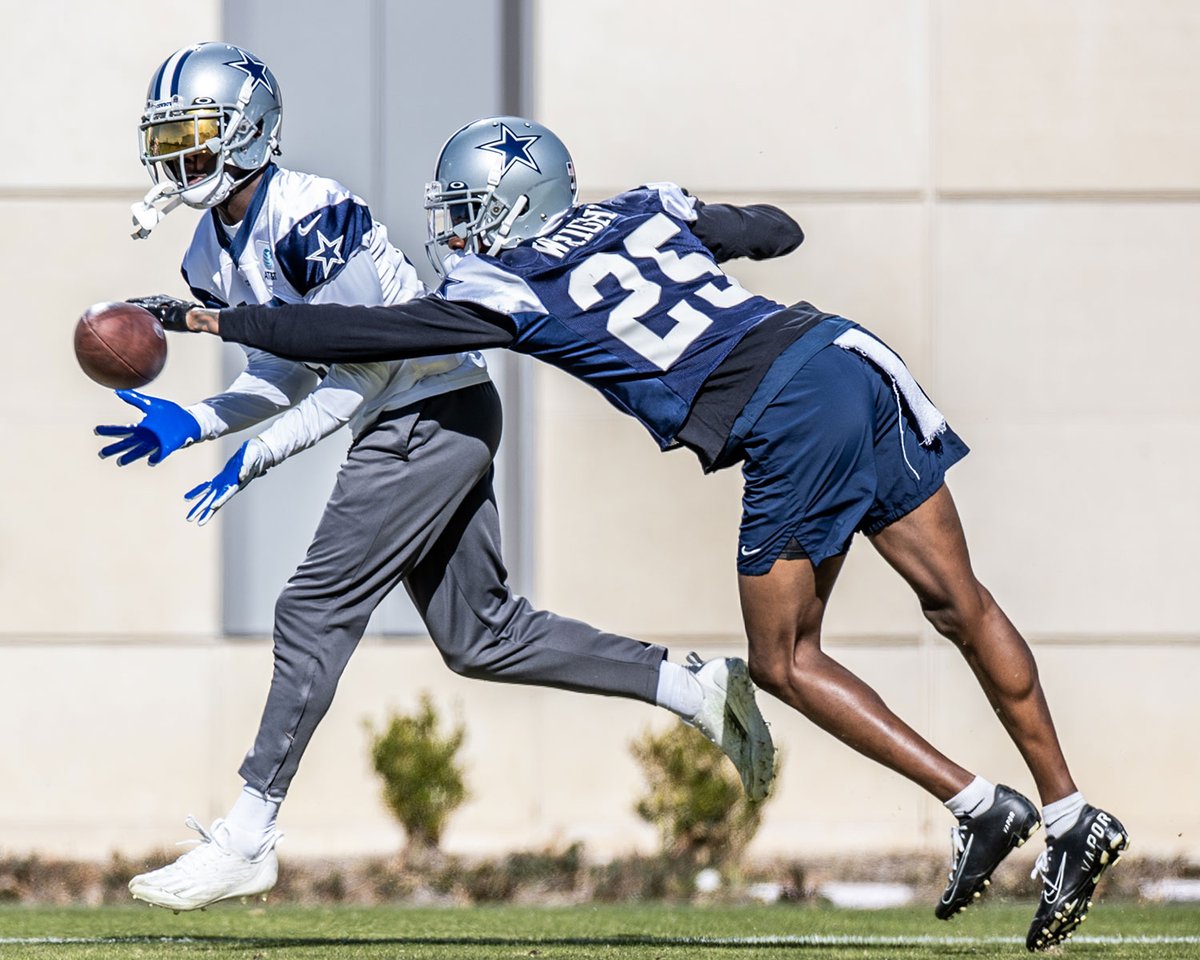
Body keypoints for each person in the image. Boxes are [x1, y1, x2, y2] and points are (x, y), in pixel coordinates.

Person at [172, 115, 1130, 950]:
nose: (452, 228)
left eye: (466, 209)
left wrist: (216, 321)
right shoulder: (642, 206)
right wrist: (698, 236)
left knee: (787, 662)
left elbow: (365, 337)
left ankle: (978, 805)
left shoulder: (510, 286)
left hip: (786, 414)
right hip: (847, 352)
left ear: (515, 205)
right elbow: (776, 230)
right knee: (960, 602)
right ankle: (1070, 809)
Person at [103, 54, 774, 913]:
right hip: (429, 413)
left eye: (194, 135)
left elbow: (367, 370)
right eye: (168, 138)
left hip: (424, 406)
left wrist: (257, 456)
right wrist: (196, 420)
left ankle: (247, 834)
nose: (178, 157)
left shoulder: (312, 215)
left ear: (249, 130)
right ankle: (692, 686)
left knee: (310, 609)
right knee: (481, 634)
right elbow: (289, 370)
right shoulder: (209, 250)